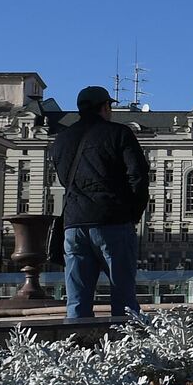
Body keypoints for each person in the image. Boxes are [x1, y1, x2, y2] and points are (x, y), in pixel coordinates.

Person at [47, 85, 150, 321]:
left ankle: (76, 350)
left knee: (77, 301)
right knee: (123, 299)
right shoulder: (119, 133)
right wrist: (132, 214)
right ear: (105, 107)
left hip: (74, 225)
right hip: (112, 222)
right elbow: (139, 176)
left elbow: (65, 180)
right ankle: (126, 351)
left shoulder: (62, 139)